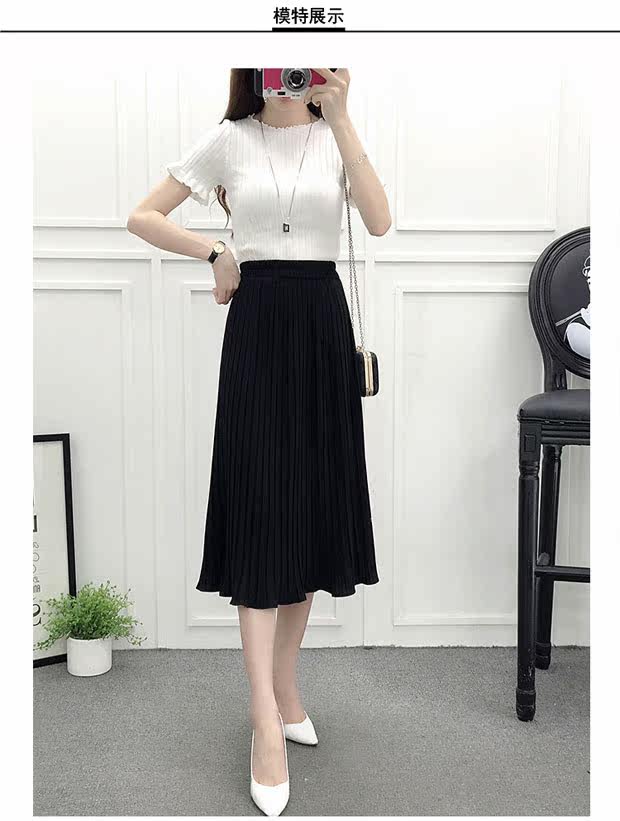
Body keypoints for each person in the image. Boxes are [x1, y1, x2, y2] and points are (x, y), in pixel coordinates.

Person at [127, 68, 391, 816]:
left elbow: (378, 221)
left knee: (307, 510)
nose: (288, 76)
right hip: (258, 327)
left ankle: (285, 686)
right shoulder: (230, 139)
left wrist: (341, 117)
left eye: (304, 61)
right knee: (261, 510)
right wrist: (215, 252)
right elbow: (142, 216)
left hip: (321, 325)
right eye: (275, 63)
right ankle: (263, 721)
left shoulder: (336, 137)